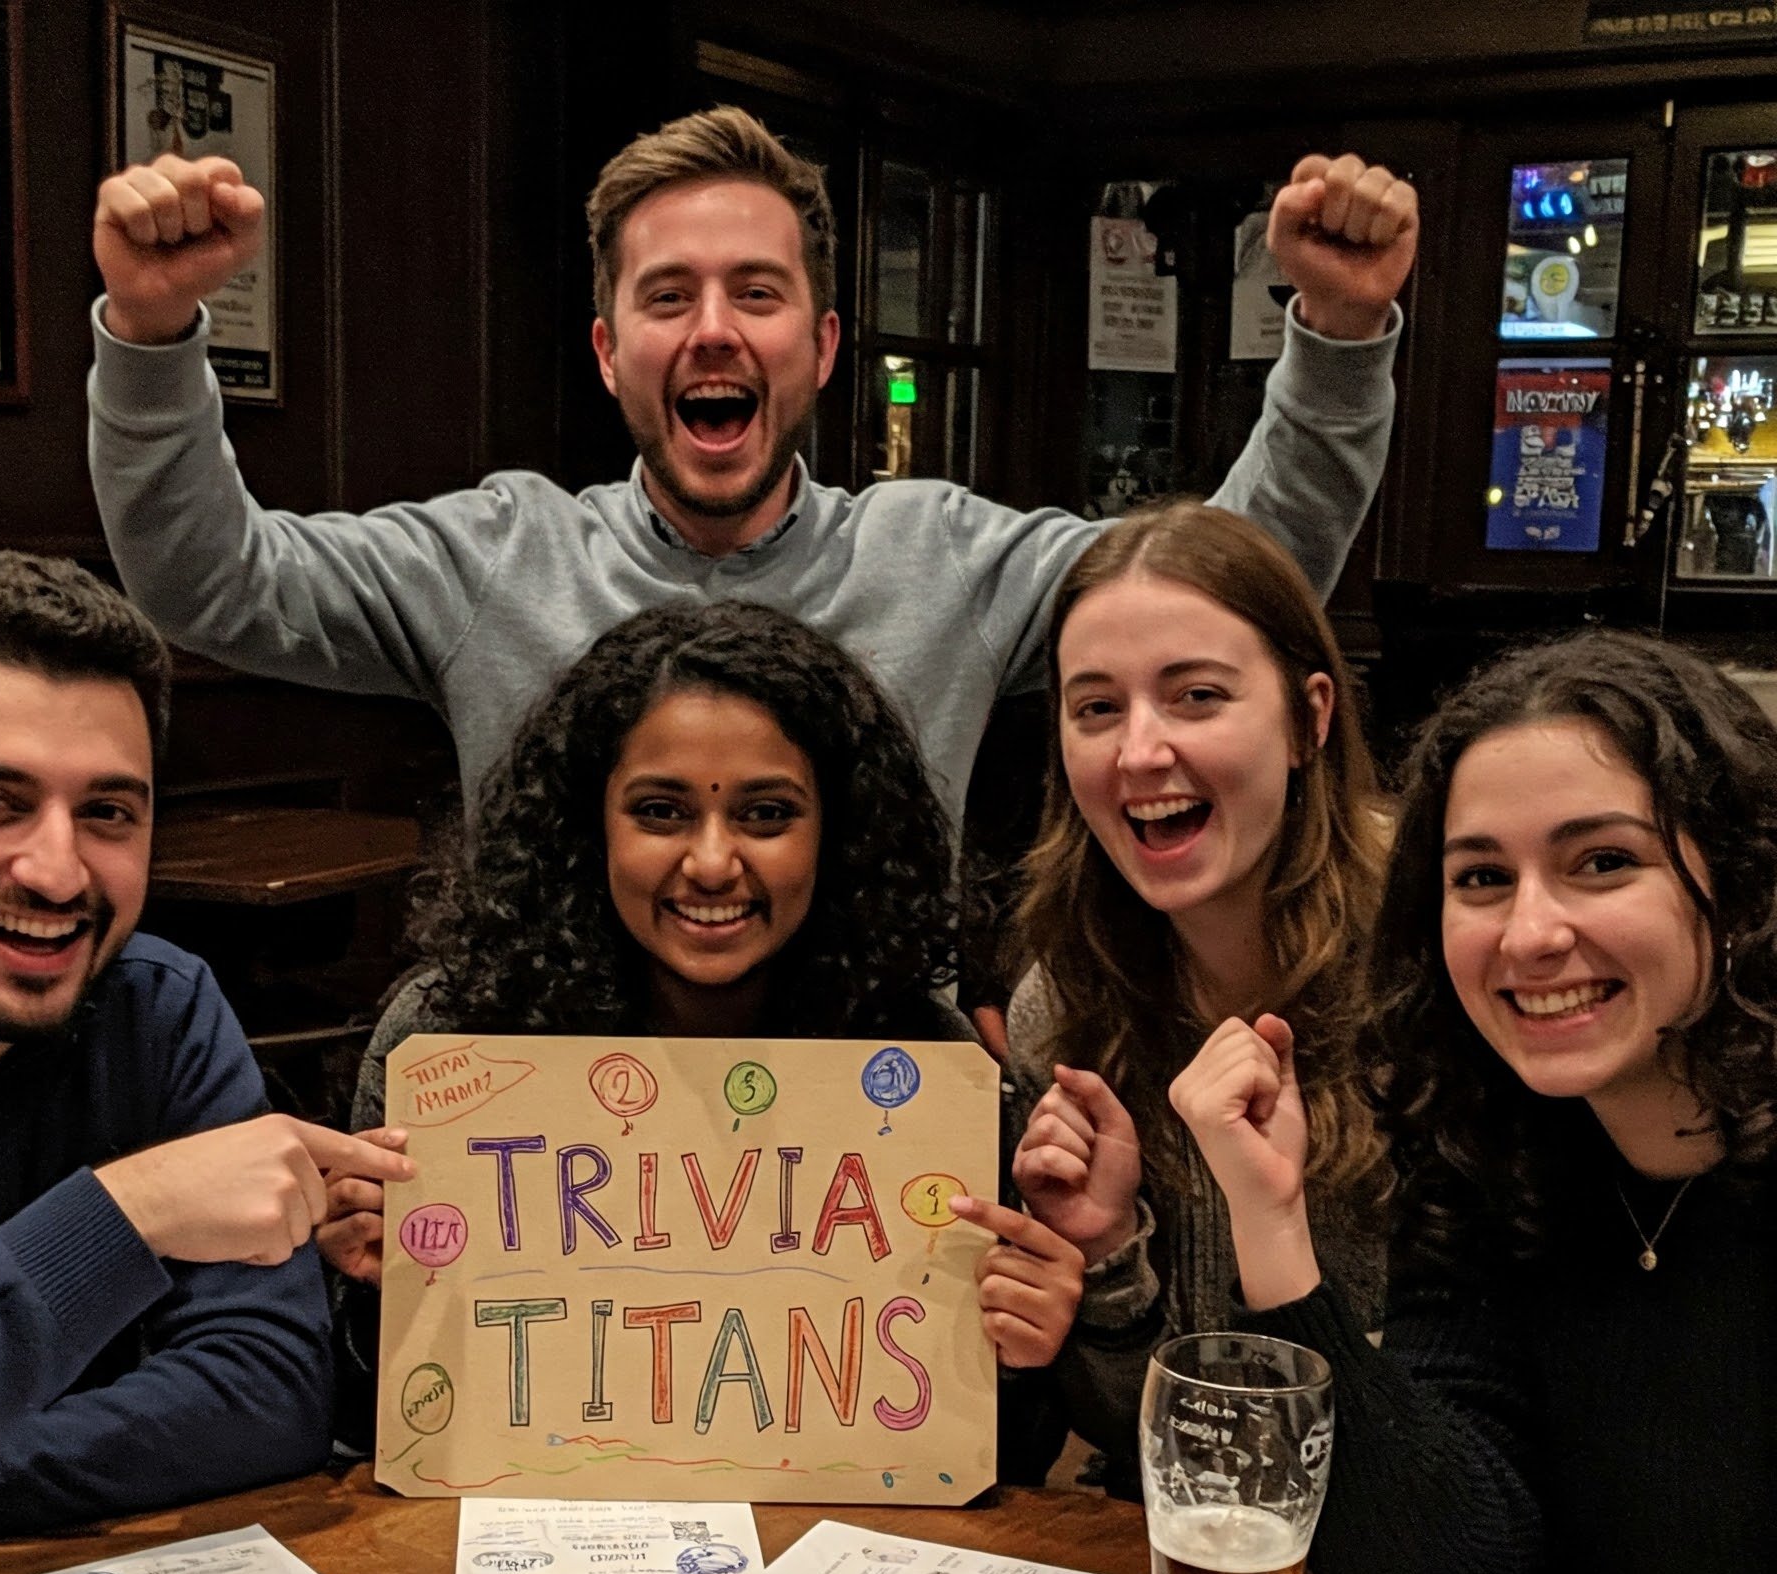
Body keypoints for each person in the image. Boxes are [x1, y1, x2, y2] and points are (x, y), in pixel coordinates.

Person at [85, 106, 1418, 825]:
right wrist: (148, 335)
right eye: (668, 297)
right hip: (558, 1134)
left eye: (757, 293)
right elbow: (213, 587)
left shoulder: (943, 556)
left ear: (821, 346)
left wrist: (1341, 335)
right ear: (610, 353)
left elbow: (1229, 594)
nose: (713, 329)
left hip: (877, 1137)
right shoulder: (493, 555)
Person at [1170, 631, 1777, 1574]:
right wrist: (1270, 1220)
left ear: (1736, 878)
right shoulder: (1491, 1157)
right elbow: (1428, 1564)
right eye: (1482, 879)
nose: (1530, 933)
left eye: (1602, 861)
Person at [0, 552, 413, 1539]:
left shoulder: (166, 1006)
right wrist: (131, 1212)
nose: (57, 872)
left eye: (106, 813)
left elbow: (267, 1393)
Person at [322, 599, 1082, 1441]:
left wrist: (1022, 1353)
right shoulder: (447, 1038)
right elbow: (363, 1420)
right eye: (660, 811)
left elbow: (994, 1450)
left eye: (767, 814)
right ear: (588, 824)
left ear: (838, 831)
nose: (713, 862)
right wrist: (375, 1295)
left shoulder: (924, 1064)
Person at [1001, 501, 1391, 1488]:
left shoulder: (1428, 974)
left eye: (1196, 697)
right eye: (1096, 708)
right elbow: (1138, 1439)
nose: (1138, 752)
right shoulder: (1064, 1001)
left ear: (1309, 718)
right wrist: (1106, 1256)